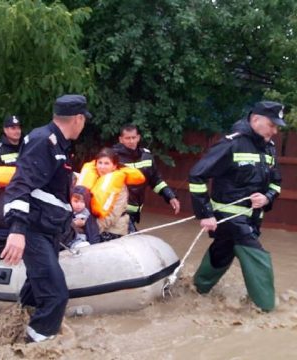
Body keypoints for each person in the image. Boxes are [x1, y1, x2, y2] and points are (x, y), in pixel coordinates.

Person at [1, 94, 91, 343]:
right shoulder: (45, 142)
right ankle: (35, 349)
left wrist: (69, 232)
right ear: (78, 119)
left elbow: (52, 196)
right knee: (56, 296)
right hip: (33, 230)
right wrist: (17, 230)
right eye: (84, 121)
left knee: (36, 290)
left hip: (48, 229)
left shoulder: (58, 144)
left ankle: (13, 331)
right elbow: (20, 185)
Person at [188, 100, 285, 312]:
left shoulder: (269, 148)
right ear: (256, 120)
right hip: (230, 218)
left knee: (223, 251)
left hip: (252, 217)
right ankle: (267, 311)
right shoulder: (231, 144)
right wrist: (205, 214)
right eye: (272, 125)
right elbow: (197, 175)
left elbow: (276, 183)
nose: (275, 131)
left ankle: (197, 288)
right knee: (255, 254)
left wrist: (267, 197)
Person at [113, 124, 180, 229]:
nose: (131, 141)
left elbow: (155, 180)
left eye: (133, 137)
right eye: (127, 138)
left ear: (138, 138)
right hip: (118, 211)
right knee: (131, 241)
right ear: (121, 139)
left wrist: (170, 196)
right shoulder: (113, 158)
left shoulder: (146, 156)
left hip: (135, 210)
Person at [92, 148, 130, 241]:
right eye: (100, 163)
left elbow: (113, 214)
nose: (102, 167)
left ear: (114, 166)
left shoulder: (119, 186)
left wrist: (91, 229)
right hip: (95, 225)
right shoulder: (95, 180)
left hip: (113, 230)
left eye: (106, 163)